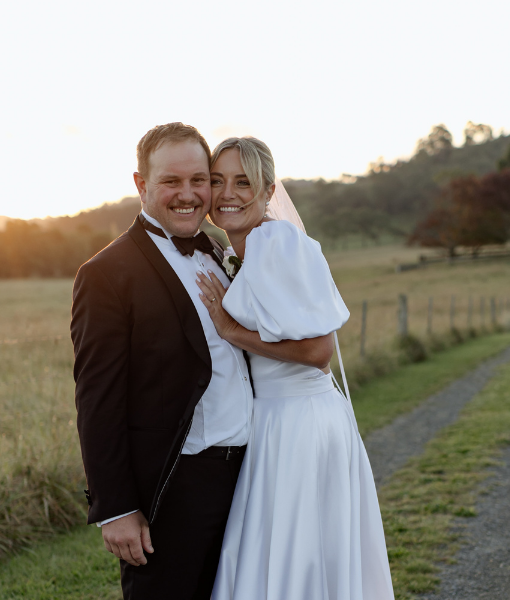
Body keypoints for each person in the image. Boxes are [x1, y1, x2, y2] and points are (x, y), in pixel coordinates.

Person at [71, 123, 336, 599]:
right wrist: (116, 508)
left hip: (252, 474)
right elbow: (98, 400)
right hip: (176, 484)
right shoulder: (107, 274)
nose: (189, 194)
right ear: (141, 185)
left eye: (200, 180)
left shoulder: (219, 250)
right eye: (171, 182)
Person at [195, 137, 395, 600]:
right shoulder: (250, 248)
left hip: (296, 422)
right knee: (295, 550)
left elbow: (318, 351)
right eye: (218, 180)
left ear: (267, 192)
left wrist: (230, 329)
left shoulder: (275, 241)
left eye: (243, 182)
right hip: (294, 417)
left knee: (292, 550)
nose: (228, 193)